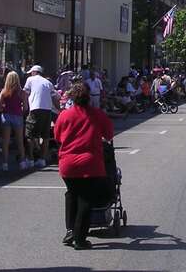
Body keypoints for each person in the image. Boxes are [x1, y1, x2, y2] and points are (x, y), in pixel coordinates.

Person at [54, 82, 114, 250]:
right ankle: (80, 239)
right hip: (90, 163)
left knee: (72, 193)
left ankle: (70, 230)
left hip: (67, 164)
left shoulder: (64, 115)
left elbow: (58, 137)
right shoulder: (97, 114)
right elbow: (108, 135)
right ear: (89, 97)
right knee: (86, 200)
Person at [23, 65, 58, 169]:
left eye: (31, 72)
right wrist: (59, 109)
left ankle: (30, 159)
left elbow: (25, 93)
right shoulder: (48, 83)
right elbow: (55, 98)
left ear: (34, 72)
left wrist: (25, 107)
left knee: (30, 134)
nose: (30, 74)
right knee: (45, 136)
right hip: (47, 110)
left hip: (34, 109)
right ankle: (42, 159)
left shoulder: (30, 79)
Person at [0, 71, 29, 171]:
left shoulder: (4, 91)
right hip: (17, 116)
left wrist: (4, 107)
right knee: (19, 140)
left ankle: (5, 164)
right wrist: (21, 111)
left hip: (6, 116)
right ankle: (22, 162)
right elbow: (26, 108)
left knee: (5, 142)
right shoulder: (22, 92)